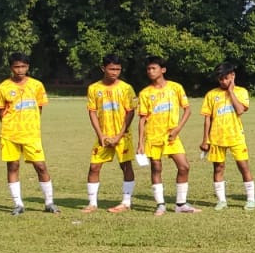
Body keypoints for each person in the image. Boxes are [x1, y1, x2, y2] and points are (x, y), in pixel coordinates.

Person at [0, 52, 58, 215]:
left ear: (28, 67)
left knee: (40, 166)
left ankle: (49, 202)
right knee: (13, 166)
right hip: (10, 134)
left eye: (23, 66)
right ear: (11, 68)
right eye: (16, 66)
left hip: (31, 134)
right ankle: (18, 204)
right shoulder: (3, 87)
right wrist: (11, 126)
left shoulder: (37, 85)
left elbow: (40, 107)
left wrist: (32, 124)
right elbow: (1, 112)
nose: (20, 70)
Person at [136, 56, 198, 215]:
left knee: (184, 166)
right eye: (148, 69)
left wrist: (177, 129)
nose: (150, 71)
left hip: (171, 136)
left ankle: (181, 204)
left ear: (163, 70)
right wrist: (140, 143)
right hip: (153, 136)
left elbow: (188, 110)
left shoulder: (175, 87)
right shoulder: (145, 93)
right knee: (156, 168)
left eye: (154, 68)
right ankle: (160, 204)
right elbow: (142, 119)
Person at [83, 54, 136, 213]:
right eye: (112, 69)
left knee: (126, 166)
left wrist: (119, 135)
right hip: (103, 136)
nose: (115, 72)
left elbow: (130, 112)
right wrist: (100, 135)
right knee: (94, 167)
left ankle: (126, 202)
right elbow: (92, 112)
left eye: (118, 69)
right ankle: (92, 203)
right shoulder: (94, 88)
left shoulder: (126, 88)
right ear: (103, 68)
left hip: (122, 135)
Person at [200, 63, 255, 210]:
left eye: (226, 78)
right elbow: (207, 119)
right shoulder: (211, 95)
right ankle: (222, 201)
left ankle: (251, 199)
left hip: (236, 136)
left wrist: (231, 92)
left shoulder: (241, 92)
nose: (223, 81)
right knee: (218, 168)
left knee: (243, 166)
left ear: (233, 76)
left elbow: (240, 110)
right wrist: (205, 139)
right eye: (220, 79)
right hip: (216, 137)